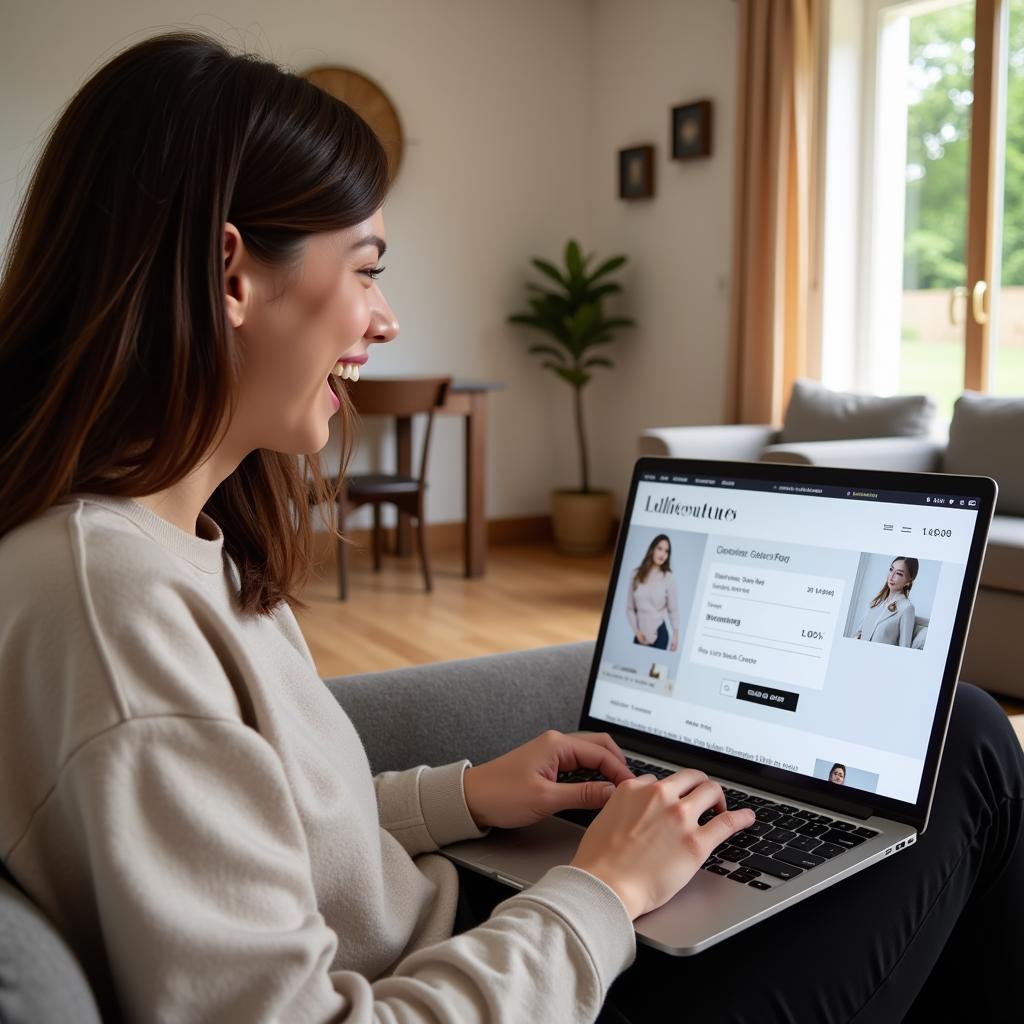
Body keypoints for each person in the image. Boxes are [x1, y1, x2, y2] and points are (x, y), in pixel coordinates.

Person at [0, 32, 1020, 1024]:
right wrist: (601, 892)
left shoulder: (167, 546)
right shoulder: (116, 612)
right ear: (231, 274)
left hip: (480, 946)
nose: (385, 318)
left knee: (920, 771)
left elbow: (263, 836)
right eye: (363, 268)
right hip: (510, 978)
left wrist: (469, 796)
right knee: (971, 739)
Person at [625, 534, 680, 651]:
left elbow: (673, 610)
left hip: (659, 635)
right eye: (659, 549)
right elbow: (630, 608)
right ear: (652, 549)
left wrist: (675, 635)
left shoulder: (668, 577)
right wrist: (637, 632)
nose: (663, 554)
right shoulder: (635, 574)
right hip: (640, 635)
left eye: (667, 551)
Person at [854, 556, 919, 647]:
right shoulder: (877, 602)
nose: (891, 576)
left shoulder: (907, 608)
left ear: (909, 581)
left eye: (899, 574)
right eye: (891, 569)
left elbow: (904, 647)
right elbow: (858, 633)